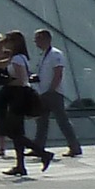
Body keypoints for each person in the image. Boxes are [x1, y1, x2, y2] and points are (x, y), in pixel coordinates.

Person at [0, 32, 54, 178]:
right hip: (18, 96)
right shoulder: (17, 58)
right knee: (18, 133)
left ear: (14, 43)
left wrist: (6, 82)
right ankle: (20, 165)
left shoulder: (17, 59)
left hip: (18, 96)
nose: (6, 44)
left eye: (8, 41)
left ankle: (43, 153)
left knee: (12, 132)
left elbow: (22, 80)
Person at [34, 29, 83, 159]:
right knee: (41, 120)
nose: (35, 42)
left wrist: (52, 89)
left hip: (53, 92)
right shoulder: (43, 54)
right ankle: (38, 146)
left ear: (46, 39)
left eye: (38, 39)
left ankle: (74, 147)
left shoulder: (55, 54)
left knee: (62, 120)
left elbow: (58, 73)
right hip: (43, 91)